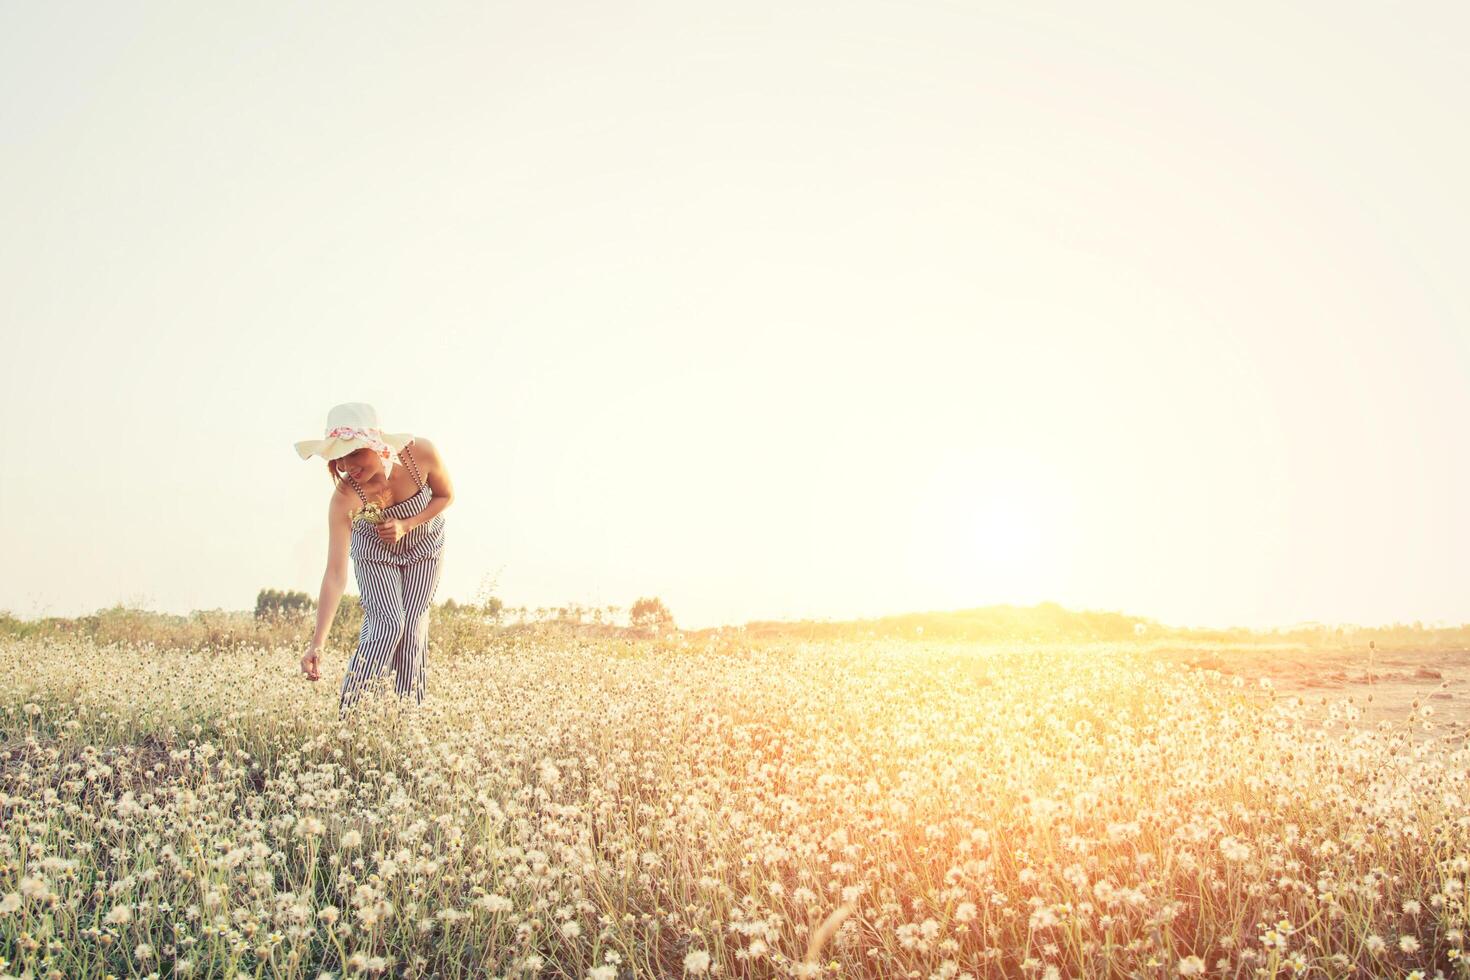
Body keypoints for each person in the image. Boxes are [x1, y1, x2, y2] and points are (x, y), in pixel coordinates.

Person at [293, 402, 453, 716]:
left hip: (425, 547)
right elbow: (336, 574)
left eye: (354, 453)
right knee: (388, 623)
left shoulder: (419, 454)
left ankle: (409, 719)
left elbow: (445, 495)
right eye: (339, 457)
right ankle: (352, 717)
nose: (346, 465)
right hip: (374, 553)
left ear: (377, 444)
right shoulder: (345, 499)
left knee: (412, 630)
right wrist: (317, 643)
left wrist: (408, 524)